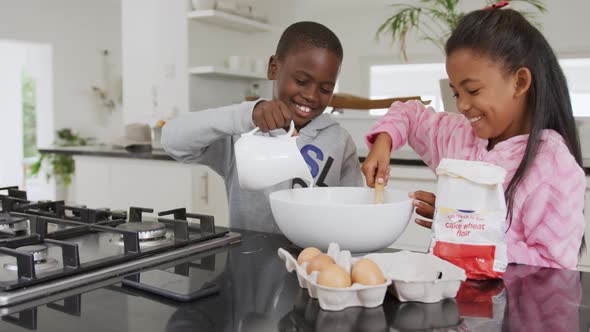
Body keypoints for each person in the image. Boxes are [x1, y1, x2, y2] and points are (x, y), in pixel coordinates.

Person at [362, 7, 585, 269]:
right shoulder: (458, 136)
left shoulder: (553, 167)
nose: (463, 106)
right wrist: (384, 140)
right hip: (447, 297)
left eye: (473, 90)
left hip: (512, 307)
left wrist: (460, 228)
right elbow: (410, 115)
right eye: (456, 93)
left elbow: (553, 265)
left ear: (520, 82)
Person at [161, 21, 362, 233]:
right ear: (274, 68)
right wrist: (248, 114)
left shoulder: (340, 141)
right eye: (302, 81)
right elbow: (172, 140)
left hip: (317, 262)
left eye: (325, 88)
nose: (311, 96)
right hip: (248, 262)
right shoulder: (241, 134)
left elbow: (355, 212)